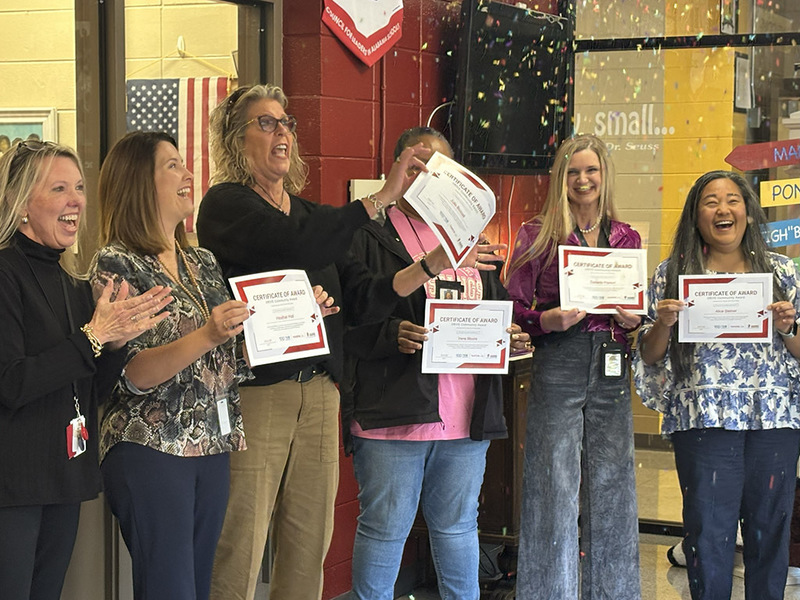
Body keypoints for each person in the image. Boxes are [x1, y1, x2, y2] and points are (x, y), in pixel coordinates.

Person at [196, 85, 497, 600]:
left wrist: (430, 266)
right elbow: (292, 243)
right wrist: (381, 198)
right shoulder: (226, 205)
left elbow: (367, 295)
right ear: (233, 139)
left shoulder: (312, 215)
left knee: (308, 543)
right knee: (241, 541)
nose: (282, 132)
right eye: (265, 123)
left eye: (286, 122)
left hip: (320, 391)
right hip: (260, 392)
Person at [341, 126, 531, 600]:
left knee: (458, 528)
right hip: (392, 414)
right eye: (419, 164)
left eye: (442, 168)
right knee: (385, 529)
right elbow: (347, 319)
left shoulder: (474, 239)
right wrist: (390, 336)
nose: (430, 176)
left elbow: (493, 303)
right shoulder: (368, 233)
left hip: (465, 413)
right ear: (398, 167)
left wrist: (506, 332)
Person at [0, 140, 171, 599]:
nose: (76, 199)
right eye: (59, 188)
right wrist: (92, 338)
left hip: (62, 476)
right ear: (20, 205)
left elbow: (86, 391)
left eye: (78, 187)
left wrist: (113, 346)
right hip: (11, 486)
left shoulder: (75, 285)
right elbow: (11, 383)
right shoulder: (5, 273)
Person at [88, 131, 253, 600]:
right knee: (169, 589)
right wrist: (207, 334)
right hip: (151, 447)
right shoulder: (118, 263)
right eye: (173, 166)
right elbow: (131, 373)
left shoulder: (201, 260)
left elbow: (230, 351)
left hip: (210, 443)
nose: (189, 175)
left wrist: (299, 319)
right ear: (140, 182)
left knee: (197, 587)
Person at [634, 170, 800, 600]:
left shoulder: (782, 271)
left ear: (748, 210)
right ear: (696, 214)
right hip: (703, 420)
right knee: (708, 533)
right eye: (711, 201)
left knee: (768, 529)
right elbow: (650, 356)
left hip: (774, 420)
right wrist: (665, 323)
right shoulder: (673, 275)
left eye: (732, 200)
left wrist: (788, 326)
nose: (723, 209)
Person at [505, 133, 642, 599]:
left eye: (591, 170)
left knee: (613, 483)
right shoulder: (535, 234)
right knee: (552, 484)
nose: (583, 180)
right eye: (573, 171)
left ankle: (615, 593)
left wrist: (631, 319)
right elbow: (514, 307)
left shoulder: (627, 237)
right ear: (560, 179)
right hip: (558, 359)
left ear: (604, 177)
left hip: (610, 360)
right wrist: (547, 318)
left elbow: (633, 311)